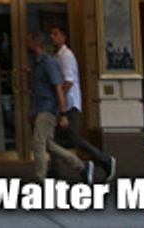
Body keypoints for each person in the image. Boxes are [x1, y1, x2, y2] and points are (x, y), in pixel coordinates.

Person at [49, 25, 116, 181]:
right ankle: (54, 170)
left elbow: (68, 81)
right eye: (51, 34)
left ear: (64, 37)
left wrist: (59, 100)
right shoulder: (58, 56)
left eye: (56, 34)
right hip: (64, 104)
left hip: (69, 104)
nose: (52, 37)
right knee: (54, 139)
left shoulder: (66, 56)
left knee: (73, 137)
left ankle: (104, 160)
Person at [24, 31, 92, 183]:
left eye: (28, 41)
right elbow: (35, 90)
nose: (26, 44)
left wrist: (62, 113)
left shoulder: (48, 62)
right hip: (38, 108)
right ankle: (81, 166)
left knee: (38, 144)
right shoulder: (35, 62)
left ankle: (40, 178)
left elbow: (58, 88)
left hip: (47, 109)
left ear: (35, 43)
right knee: (49, 145)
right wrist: (30, 111)